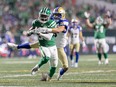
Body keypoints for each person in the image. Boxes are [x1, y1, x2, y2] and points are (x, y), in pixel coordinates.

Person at [7, 7, 58, 81]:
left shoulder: (51, 23)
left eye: (45, 16)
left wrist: (40, 33)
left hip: (52, 45)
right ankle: (37, 67)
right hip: (43, 44)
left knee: (54, 65)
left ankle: (48, 79)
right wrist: (29, 32)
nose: (43, 17)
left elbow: (49, 37)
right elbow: (31, 30)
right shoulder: (36, 22)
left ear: (48, 16)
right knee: (47, 57)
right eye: (42, 15)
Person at [33, 7, 69, 80]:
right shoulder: (50, 20)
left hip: (59, 47)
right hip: (49, 43)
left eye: (58, 15)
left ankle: (60, 73)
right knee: (32, 45)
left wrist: (47, 29)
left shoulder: (64, 22)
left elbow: (59, 30)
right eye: (54, 15)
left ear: (62, 15)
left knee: (66, 67)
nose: (55, 16)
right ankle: (47, 76)